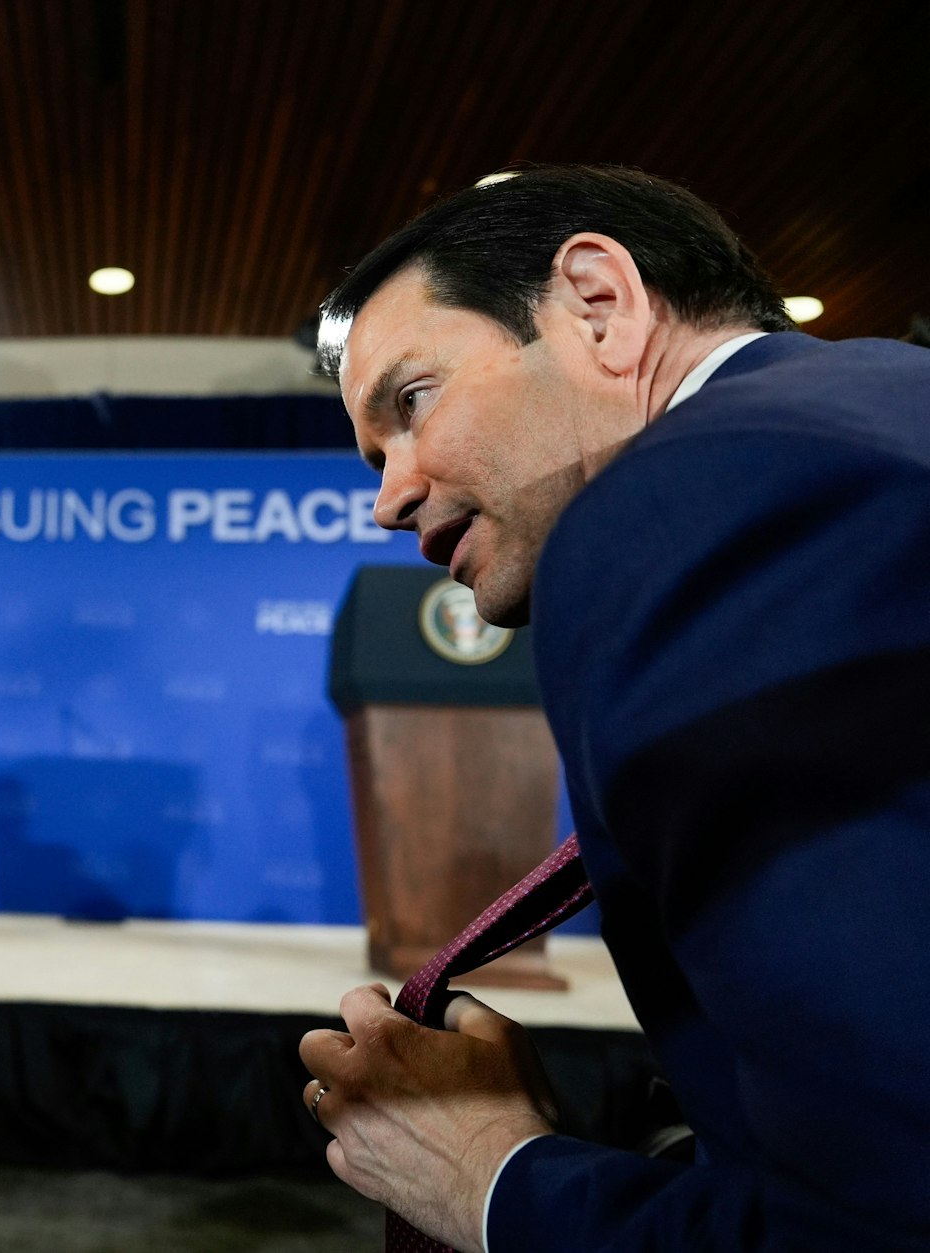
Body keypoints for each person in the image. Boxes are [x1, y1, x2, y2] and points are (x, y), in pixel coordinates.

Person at [298, 165, 930, 1251]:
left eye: (411, 401)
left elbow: (876, 1217)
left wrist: (498, 1178)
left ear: (598, 304)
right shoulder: (875, 412)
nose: (387, 493)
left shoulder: (696, 495)